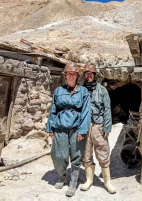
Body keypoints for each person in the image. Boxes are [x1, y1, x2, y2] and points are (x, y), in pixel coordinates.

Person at [45, 62, 91, 197]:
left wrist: (82, 130)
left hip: (76, 128)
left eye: (74, 74)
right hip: (60, 126)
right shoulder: (59, 91)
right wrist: (50, 127)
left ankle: (73, 182)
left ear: (77, 76)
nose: (71, 76)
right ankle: (62, 176)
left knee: (76, 155)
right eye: (69, 74)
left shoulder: (83, 92)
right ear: (65, 75)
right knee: (59, 155)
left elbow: (86, 112)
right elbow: (53, 109)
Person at [81, 62, 116, 194]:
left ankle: (107, 182)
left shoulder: (102, 90)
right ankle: (89, 180)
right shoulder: (81, 90)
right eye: (87, 73)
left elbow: (107, 109)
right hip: (84, 126)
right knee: (86, 153)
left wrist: (107, 127)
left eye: (91, 73)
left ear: (95, 75)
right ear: (84, 75)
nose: (89, 75)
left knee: (103, 152)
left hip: (98, 126)